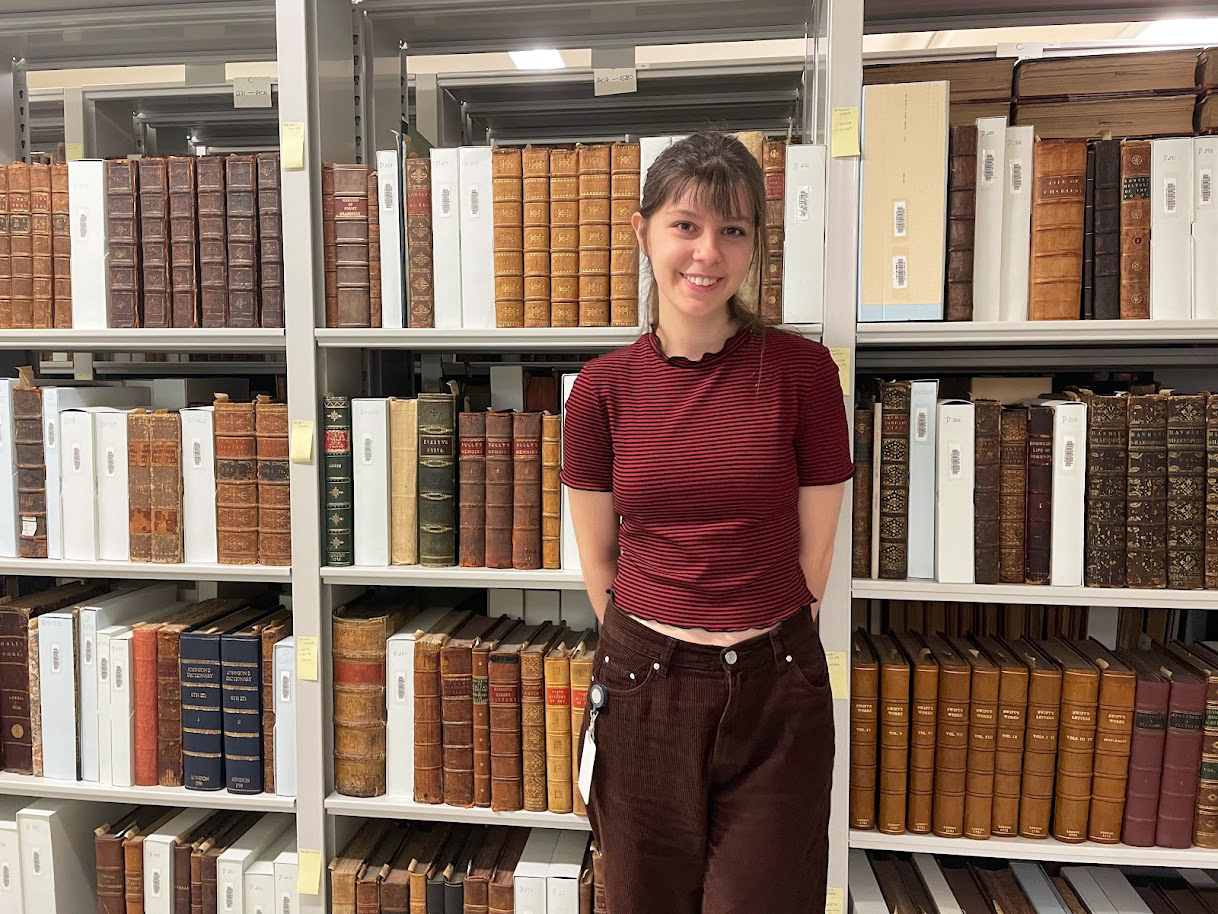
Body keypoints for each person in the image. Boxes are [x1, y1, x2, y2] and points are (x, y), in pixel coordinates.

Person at [559, 131, 854, 913]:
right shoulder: (600, 391)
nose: (707, 252)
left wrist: (756, 636)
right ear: (643, 231)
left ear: (755, 244)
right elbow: (599, 560)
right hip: (643, 686)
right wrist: (665, 643)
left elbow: (814, 549)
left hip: (776, 689)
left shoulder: (804, 373)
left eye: (733, 229)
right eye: (686, 225)